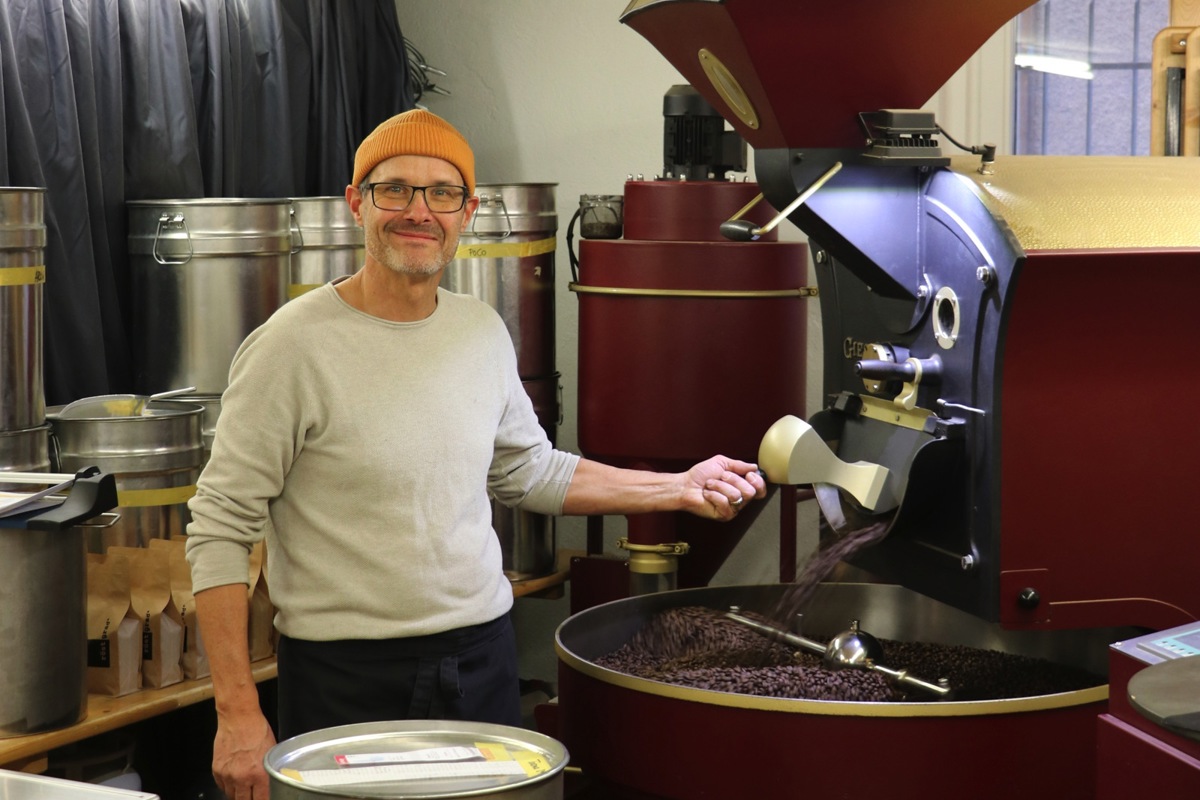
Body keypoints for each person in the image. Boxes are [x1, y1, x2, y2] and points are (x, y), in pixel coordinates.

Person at [185, 108, 766, 800]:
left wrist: (677, 488)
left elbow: (528, 470)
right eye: (394, 189)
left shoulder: (480, 331)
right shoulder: (291, 347)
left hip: (480, 660)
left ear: (467, 213)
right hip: (345, 677)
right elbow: (220, 529)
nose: (418, 211)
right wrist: (237, 713)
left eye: (442, 193)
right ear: (356, 204)